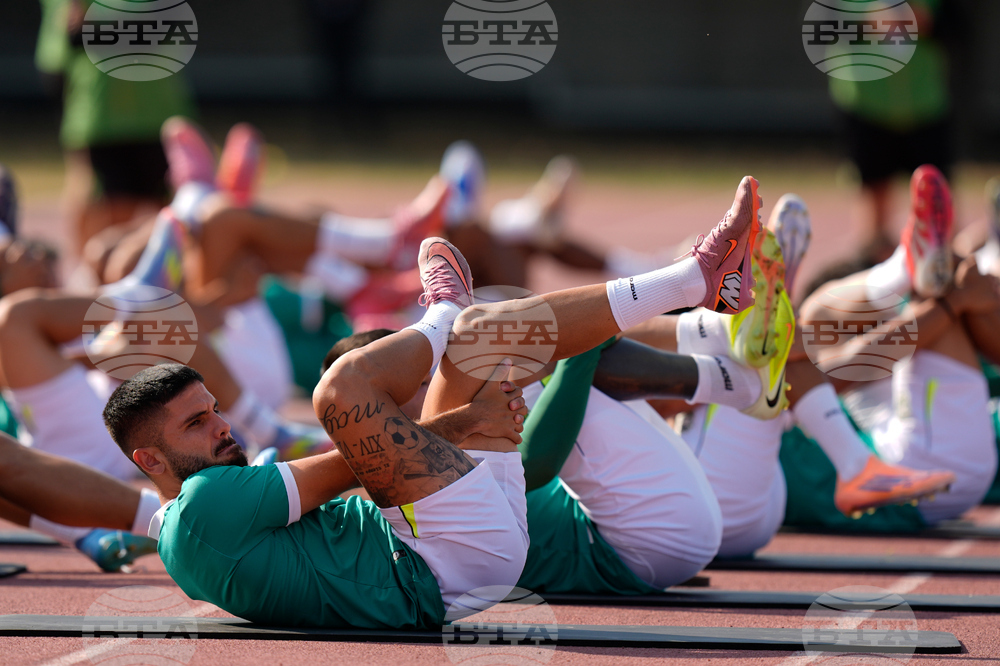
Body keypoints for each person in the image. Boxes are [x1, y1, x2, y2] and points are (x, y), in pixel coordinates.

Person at [114, 174, 763, 626]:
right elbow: (350, 463)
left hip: (468, 542)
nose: (221, 427)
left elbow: (364, 469)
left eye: (215, 409)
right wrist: (457, 422)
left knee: (491, 333)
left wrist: (454, 423)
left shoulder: (208, 509)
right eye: (198, 423)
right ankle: (443, 312)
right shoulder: (200, 509)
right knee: (339, 394)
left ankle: (702, 280)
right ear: (150, 459)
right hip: (437, 560)